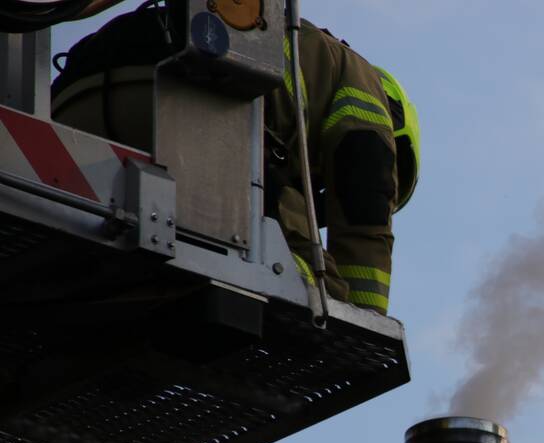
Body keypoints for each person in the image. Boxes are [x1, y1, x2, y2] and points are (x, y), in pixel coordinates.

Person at [50, 1, 419, 315]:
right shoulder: (364, 87)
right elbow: (364, 201)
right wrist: (361, 321)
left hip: (74, 101)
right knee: (317, 286)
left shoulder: (309, 58)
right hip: (188, 97)